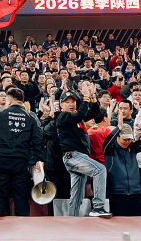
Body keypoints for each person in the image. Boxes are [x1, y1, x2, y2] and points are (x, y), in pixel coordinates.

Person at [0, 88, 43, 217]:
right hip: (21, 161)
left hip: (1, 160)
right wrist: (39, 159)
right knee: (21, 196)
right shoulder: (30, 118)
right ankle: (22, 225)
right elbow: (38, 140)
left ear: (9, 101)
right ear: (22, 102)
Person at [54, 83, 111, 217]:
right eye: (67, 102)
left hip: (78, 158)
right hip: (73, 156)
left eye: (73, 101)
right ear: (61, 105)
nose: (71, 104)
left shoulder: (76, 118)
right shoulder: (62, 117)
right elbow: (80, 114)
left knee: (77, 195)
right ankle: (98, 207)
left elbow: (94, 113)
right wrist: (85, 97)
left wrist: (93, 98)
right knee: (100, 170)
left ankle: (72, 219)